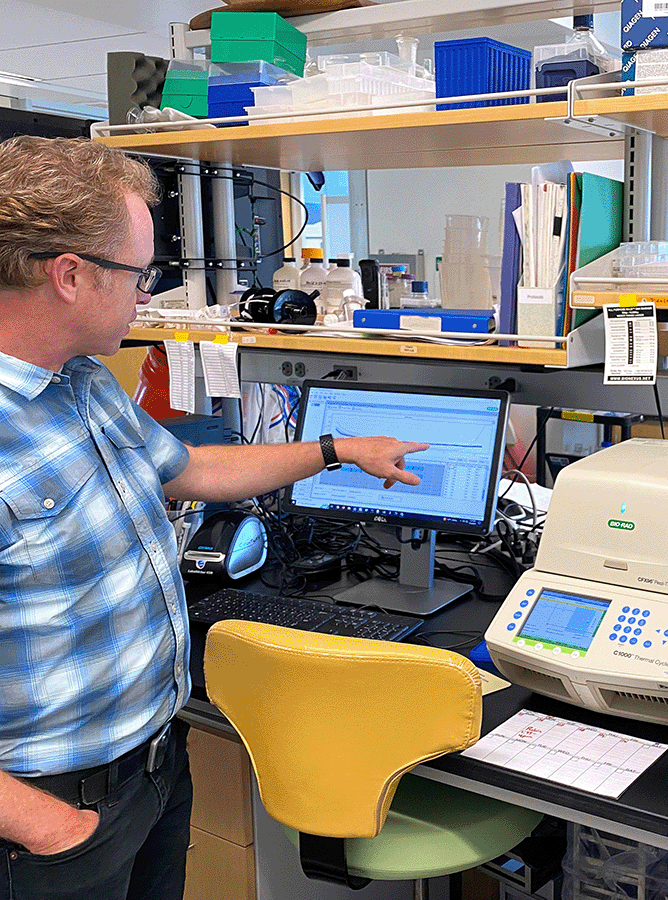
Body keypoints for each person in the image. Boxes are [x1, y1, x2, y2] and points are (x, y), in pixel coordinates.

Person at [0, 135, 429, 900]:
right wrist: (46, 826)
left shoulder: (85, 384)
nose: (147, 297)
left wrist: (337, 449)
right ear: (69, 276)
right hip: (49, 816)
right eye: (139, 275)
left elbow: (191, 471)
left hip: (154, 768)